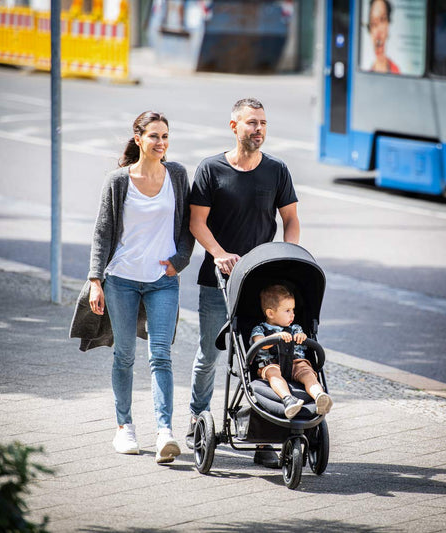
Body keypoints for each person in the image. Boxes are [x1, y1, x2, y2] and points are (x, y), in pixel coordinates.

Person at [70, 111, 194, 464]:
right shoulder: (117, 180)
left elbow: (188, 226)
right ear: (138, 139)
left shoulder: (178, 175)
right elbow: (102, 232)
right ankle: (124, 428)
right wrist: (96, 280)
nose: (161, 143)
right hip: (121, 280)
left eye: (165, 136)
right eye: (154, 136)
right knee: (124, 355)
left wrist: (179, 261)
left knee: (161, 355)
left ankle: (165, 433)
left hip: (163, 283)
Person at [186, 97, 301, 469]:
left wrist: (287, 256)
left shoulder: (277, 171)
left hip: (260, 284)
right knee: (209, 354)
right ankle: (196, 417)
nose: (259, 129)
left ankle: (263, 431)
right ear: (234, 126)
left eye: (263, 123)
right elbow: (196, 223)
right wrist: (218, 253)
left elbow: (291, 220)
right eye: (251, 123)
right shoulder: (211, 169)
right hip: (217, 281)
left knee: (258, 356)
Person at [250, 284, 333, 419]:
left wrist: (302, 337)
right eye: (287, 310)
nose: (292, 314)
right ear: (270, 313)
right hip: (271, 364)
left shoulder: (295, 328)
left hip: (296, 362)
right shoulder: (259, 329)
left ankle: (319, 396)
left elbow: (303, 338)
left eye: (293, 310)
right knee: (273, 374)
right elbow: (259, 344)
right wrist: (275, 338)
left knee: (307, 373)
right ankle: (288, 399)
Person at [367, 0, 400, 74]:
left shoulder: (397, 71)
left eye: (382, 20)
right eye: (374, 23)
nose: (378, 32)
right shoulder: (367, 71)